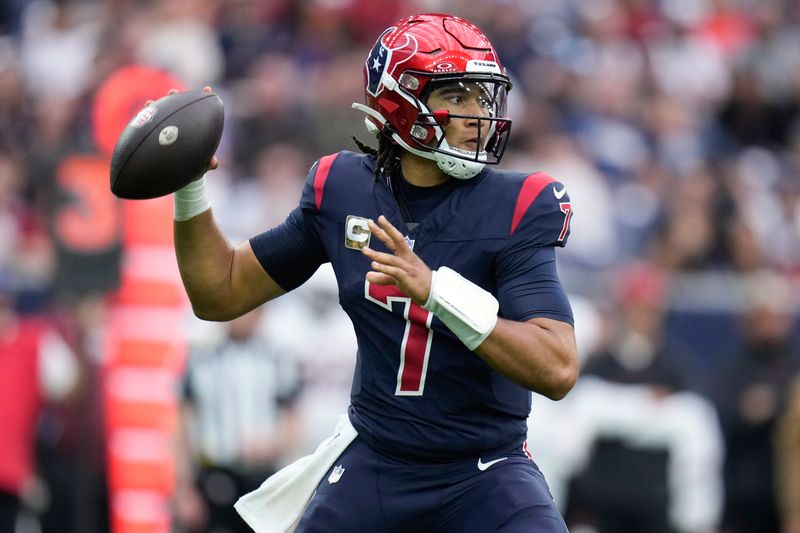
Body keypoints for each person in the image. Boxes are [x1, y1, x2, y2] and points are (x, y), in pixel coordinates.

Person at [170, 13, 578, 532]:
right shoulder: (341, 189)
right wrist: (188, 189)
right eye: (458, 97)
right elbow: (220, 292)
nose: (480, 113)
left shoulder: (520, 203)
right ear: (402, 104)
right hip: (377, 464)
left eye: (483, 96)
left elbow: (558, 367)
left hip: (484, 471)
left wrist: (437, 293)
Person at [172, 307, 303, 533]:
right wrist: (183, 490)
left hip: (262, 479)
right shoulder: (201, 356)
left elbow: (293, 423)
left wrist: (272, 444)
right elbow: (180, 425)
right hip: (213, 478)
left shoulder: (277, 357)